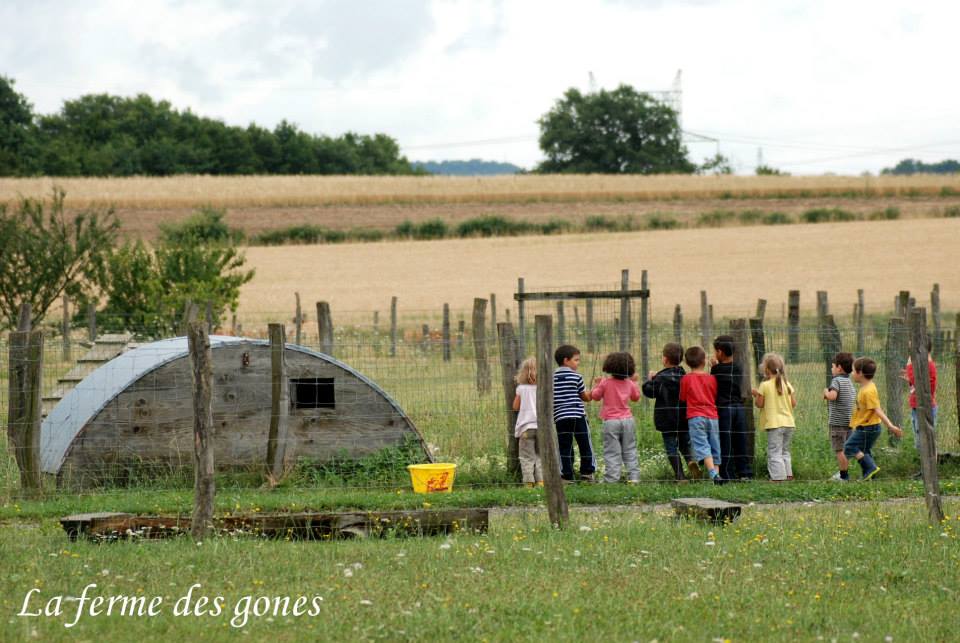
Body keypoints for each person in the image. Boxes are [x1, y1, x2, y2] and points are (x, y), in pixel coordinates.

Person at [643, 342, 699, 482]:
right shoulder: (685, 376)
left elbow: (650, 392)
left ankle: (680, 476)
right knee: (685, 444)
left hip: (667, 420)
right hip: (683, 418)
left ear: (665, 359)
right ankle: (691, 461)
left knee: (671, 446)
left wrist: (650, 380)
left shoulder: (661, 378)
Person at [843, 357, 903, 480]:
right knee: (865, 451)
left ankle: (870, 468)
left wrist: (890, 426)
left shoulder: (868, 391)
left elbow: (877, 409)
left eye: (853, 371)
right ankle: (871, 476)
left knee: (849, 447)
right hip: (867, 426)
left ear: (860, 373)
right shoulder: (867, 387)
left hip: (868, 428)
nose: (852, 373)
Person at [591, 351, 641, 483]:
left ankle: (611, 479)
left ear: (609, 366)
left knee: (612, 451)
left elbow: (595, 396)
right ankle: (634, 478)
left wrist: (597, 384)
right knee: (630, 449)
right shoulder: (629, 383)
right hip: (628, 420)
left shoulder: (605, 383)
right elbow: (636, 398)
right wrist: (634, 382)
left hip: (611, 422)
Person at [711, 335, 752, 481]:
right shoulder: (738, 367)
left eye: (716, 351)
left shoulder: (716, 370)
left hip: (724, 408)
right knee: (740, 439)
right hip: (738, 408)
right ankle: (745, 472)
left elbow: (714, 385)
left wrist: (713, 367)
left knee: (725, 440)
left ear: (720, 352)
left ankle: (727, 473)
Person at [751, 353, 797, 482]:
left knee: (774, 452)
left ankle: (777, 478)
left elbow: (759, 404)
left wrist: (756, 395)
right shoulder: (787, 384)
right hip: (789, 423)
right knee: (784, 451)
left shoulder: (764, 385)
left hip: (774, 424)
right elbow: (793, 403)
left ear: (766, 370)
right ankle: (788, 475)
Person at [679, 346, 722, 484]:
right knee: (715, 445)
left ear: (686, 362)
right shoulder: (712, 379)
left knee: (702, 445)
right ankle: (717, 476)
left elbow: (683, 398)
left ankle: (713, 475)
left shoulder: (686, 379)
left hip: (696, 417)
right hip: (713, 416)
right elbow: (715, 395)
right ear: (704, 361)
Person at [553, 344, 595, 483]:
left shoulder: (551, 378)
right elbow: (585, 397)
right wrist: (593, 392)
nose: (578, 363)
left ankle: (566, 475)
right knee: (585, 444)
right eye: (576, 360)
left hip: (560, 418)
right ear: (566, 360)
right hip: (578, 416)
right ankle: (587, 473)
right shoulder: (576, 377)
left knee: (564, 446)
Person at [902, 336, 938, 466]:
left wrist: (909, 364)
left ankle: (929, 469)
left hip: (924, 407)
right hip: (917, 407)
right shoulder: (923, 366)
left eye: (911, 348)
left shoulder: (927, 365)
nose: (909, 351)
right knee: (919, 439)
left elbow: (921, 384)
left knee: (925, 440)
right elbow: (916, 382)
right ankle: (925, 468)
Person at [823, 352, 856, 481]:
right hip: (848, 421)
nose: (831, 369)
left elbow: (833, 396)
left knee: (839, 450)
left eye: (832, 366)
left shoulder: (836, 381)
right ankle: (843, 472)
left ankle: (843, 476)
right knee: (845, 449)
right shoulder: (849, 382)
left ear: (839, 368)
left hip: (837, 423)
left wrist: (826, 392)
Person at [512, 357, 543, 487]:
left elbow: (515, 407)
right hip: (542, 427)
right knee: (541, 456)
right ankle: (541, 481)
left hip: (526, 429)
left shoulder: (521, 389)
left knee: (526, 457)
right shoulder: (543, 388)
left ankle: (529, 482)